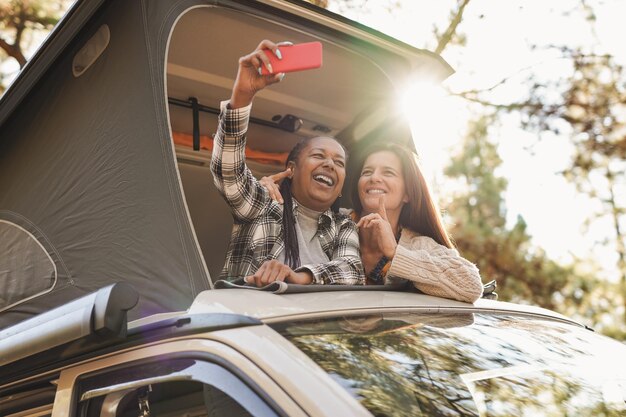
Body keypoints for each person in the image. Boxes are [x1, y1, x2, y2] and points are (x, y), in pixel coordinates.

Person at [210, 40, 364, 287]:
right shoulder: (264, 203)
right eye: (318, 156)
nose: (330, 164)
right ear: (291, 169)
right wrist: (242, 95)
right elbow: (228, 172)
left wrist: (297, 277)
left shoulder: (343, 225)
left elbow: (352, 270)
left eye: (339, 162)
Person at [261, 142, 483, 303]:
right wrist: (270, 191)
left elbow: (471, 286)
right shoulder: (330, 222)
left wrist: (395, 253)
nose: (374, 178)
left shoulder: (417, 244)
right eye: (367, 172)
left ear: (407, 194)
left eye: (388, 173)